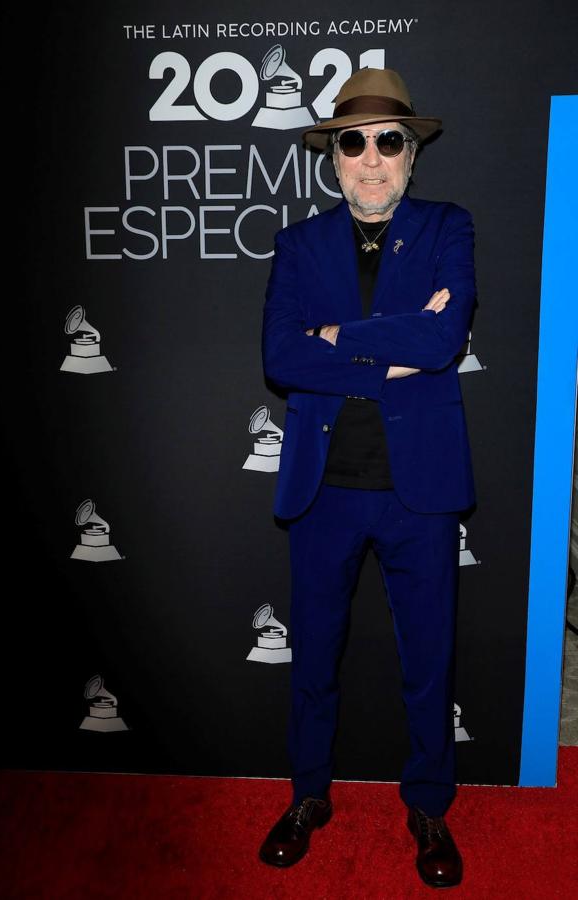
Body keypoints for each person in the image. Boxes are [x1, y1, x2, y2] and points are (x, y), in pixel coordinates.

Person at [258, 68, 476, 889]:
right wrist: (390, 345)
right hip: (324, 492)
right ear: (333, 158)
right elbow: (281, 359)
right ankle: (309, 795)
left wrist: (334, 339)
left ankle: (428, 807)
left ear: (412, 155)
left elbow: (442, 342)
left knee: (429, 659)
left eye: (391, 141)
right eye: (354, 142)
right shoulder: (298, 245)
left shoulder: (450, 227)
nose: (372, 159)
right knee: (314, 654)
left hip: (420, 490)